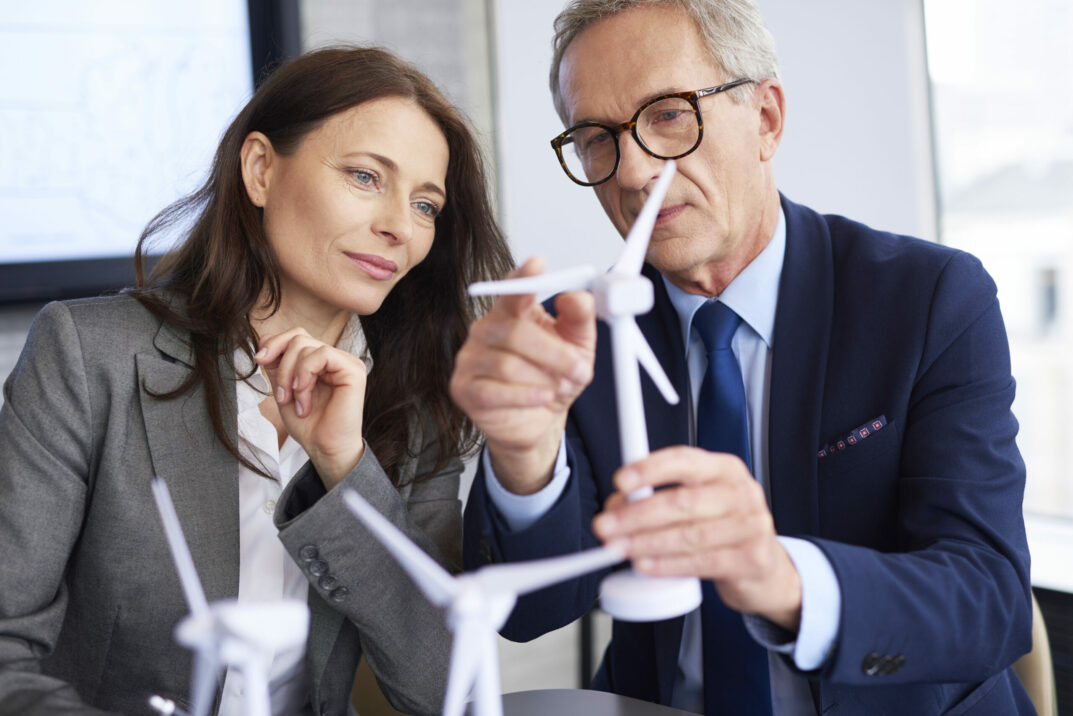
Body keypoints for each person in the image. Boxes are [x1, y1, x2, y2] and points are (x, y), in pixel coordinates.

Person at [452, 1, 1034, 714]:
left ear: (765, 118)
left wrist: (778, 574)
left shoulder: (928, 299)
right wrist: (523, 458)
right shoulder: (576, 335)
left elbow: (987, 599)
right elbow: (530, 609)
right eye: (596, 137)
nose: (632, 173)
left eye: (667, 114)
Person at [0, 46, 512, 715]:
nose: (397, 226)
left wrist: (344, 465)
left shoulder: (417, 401)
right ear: (261, 169)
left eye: (424, 204)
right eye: (364, 177)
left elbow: (447, 689)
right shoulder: (88, 355)